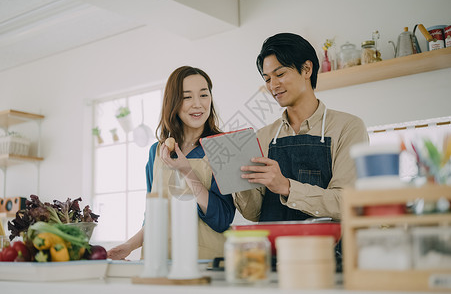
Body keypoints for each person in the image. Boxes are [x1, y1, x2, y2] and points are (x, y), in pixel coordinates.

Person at [233, 33, 369, 223]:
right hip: (275, 250)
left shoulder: (348, 127)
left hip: (330, 250)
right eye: (267, 79)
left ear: (306, 69)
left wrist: (287, 187)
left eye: (280, 74)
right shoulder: (263, 136)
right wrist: (235, 179)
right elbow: (254, 214)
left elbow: (347, 203)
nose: (273, 86)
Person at [108, 66, 235, 260]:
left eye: (203, 95)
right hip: (157, 262)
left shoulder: (222, 147)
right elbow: (153, 217)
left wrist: (188, 172)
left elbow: (222, 219)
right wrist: (128, 246)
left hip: (203, 264)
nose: (198, 104)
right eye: (187, 97)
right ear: (173, 102)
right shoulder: (157, 152)